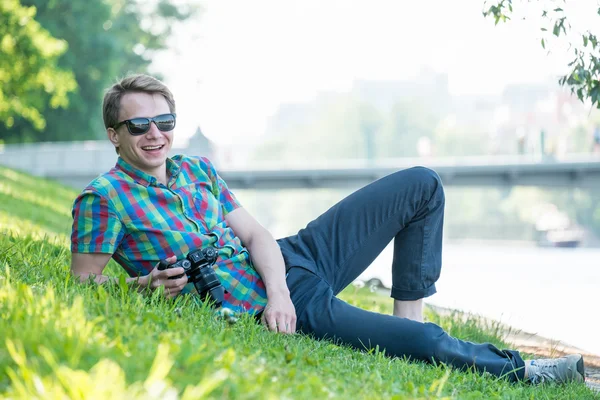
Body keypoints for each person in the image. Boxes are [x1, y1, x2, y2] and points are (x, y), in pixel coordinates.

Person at [70, 74, 585, 386]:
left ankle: (409, 322)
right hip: (247, 298)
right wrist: (145, 286)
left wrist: (281, 295)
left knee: (421, 185)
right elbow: (86, 288)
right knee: (424, 341)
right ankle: (523, 371)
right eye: (139, 126)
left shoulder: (196, 169)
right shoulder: (104, 199)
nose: (155, 134)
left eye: (165, 121)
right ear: (115, 135)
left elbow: (257, 236)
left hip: (292, 264)